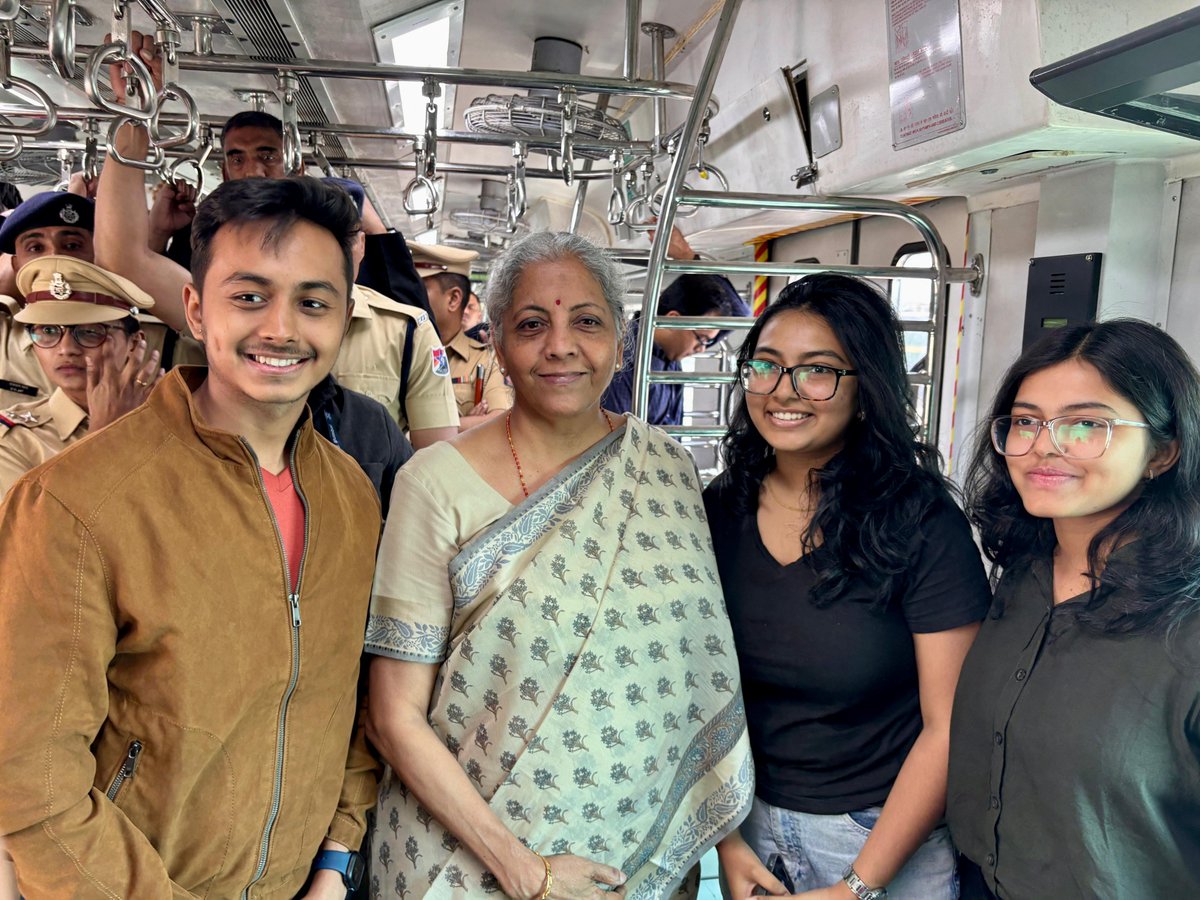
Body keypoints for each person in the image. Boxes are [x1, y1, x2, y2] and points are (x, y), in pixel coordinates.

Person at [0, 176, 381, 897]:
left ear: (344, 318)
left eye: (312, 301)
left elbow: (345, 700)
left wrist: (335, 862)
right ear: (196, 311)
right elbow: (31, 781)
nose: (281, 328)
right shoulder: (73, 504)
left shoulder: (350, 497)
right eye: (249, 296)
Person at [364, 231, 752, 898]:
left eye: (587, 322)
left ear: (621, 343)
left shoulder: (665, 470)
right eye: (532, 324)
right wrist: (525, 870)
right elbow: (391, 715)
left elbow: (694, 678)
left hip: (631, 856)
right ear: (500, 346)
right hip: (464, 862)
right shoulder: (433, 484)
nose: (561, 345)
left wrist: (725, 836)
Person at [703, 275, 991, 899]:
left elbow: (949, 726)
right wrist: (725, 841)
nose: (784, 391)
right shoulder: (719, 510)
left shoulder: (919, 522)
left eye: (819, 371)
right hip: (749, 827)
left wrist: (857, 886)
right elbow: (692, 688)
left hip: (880, 835)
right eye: (767, 366)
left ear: (866, 391)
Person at [948, 319, 1200, 899]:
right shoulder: (1023, 577)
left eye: (1087, 424)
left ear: (1163, 451)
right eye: (1027, 421)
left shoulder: (1185, 625)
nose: (1044, 446)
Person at [0, 256, 161, 497]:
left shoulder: (172, 419)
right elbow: (42, 531)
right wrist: (104, 435)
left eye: (89, 332)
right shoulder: (15, 440)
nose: (66, 349)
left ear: (134, 342)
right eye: (48, 331)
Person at [603, 227, 749, 426]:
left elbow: (740, 314)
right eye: (703, 339)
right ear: (673, 319)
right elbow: (618, 440)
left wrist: (687, 257)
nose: (702, 349)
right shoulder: (623, 361)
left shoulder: (667, 354)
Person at [411, 242, 511, 429]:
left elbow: (499, 420)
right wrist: (468, 424)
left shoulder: (484, 361)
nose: (409, 295)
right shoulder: (402, 349)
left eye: (420, 289)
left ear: (453, 299)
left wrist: (415, 431)